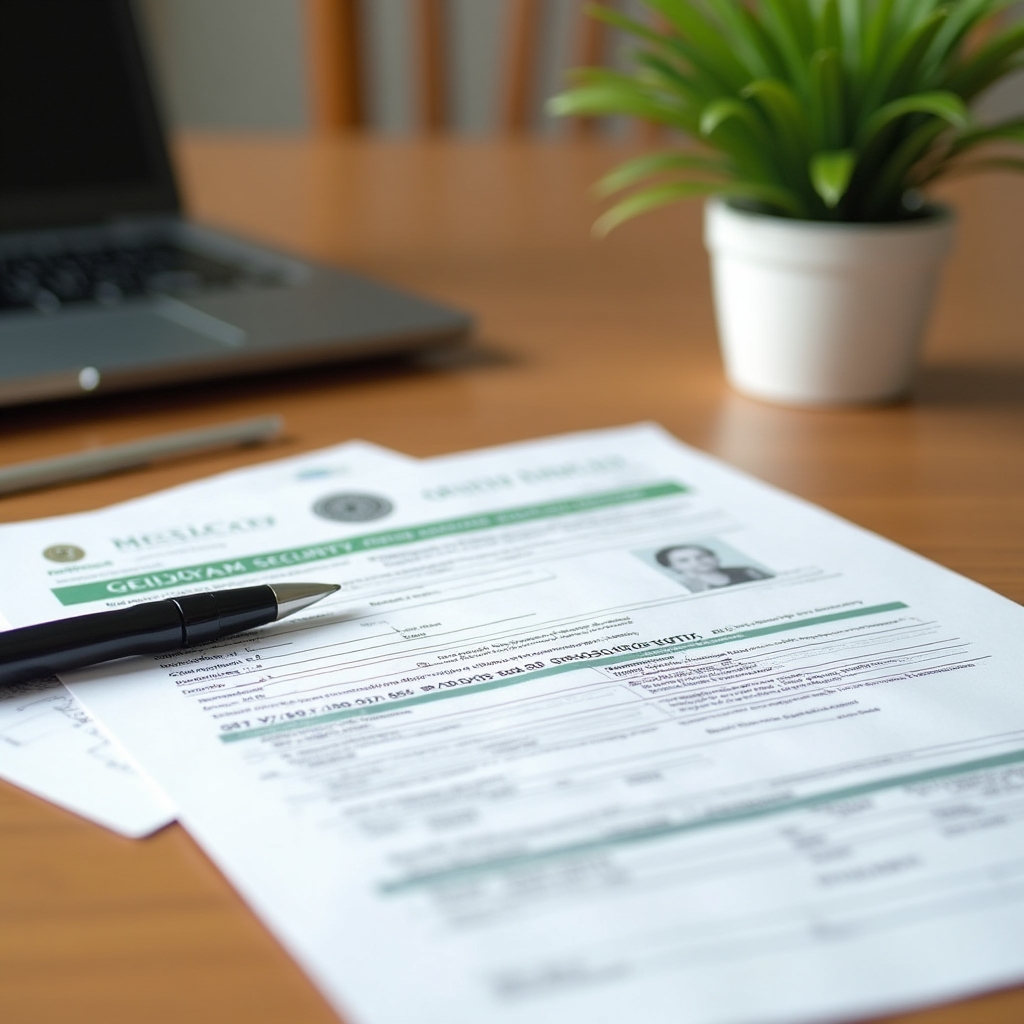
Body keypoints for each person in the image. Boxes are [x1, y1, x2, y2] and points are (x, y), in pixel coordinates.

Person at [654, 544, 771, 593]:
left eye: (702, 556)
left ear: (715, 557)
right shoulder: (680, 588)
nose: (697, 562)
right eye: (684, 560)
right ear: (671, 566)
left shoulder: (748, 571)